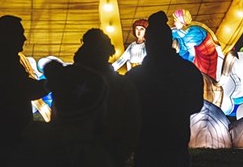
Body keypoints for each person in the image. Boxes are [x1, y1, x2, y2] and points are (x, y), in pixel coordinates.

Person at [126, 10, 203, 167]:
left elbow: (126, 110)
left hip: (146, 147)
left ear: (148, 43)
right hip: (176, 144)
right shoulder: (187, 70)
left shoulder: (135, 76)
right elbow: (196, 105)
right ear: (169, 41)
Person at [0, 15, 48, 167]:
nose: (24, 38)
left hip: (2, 130)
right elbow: (22, 89)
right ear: (8, 36)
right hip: (7, 132)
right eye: (20, 33)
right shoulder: (3, 62)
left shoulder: (1, 59)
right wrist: (49, 85)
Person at [76, 27, 141, 166]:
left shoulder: (72, 82)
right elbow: (133, 121)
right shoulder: (122, 85)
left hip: (80, 152)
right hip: (112, 150)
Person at [171, 8, 222, 80]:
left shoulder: (196, 32)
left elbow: (181, 46)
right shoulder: (186, 30)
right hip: (196, 56)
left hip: (205, 62)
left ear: (182, 22)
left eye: (175, 21)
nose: (174, 23)